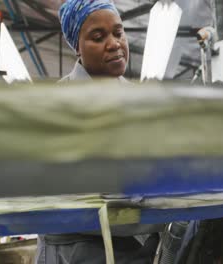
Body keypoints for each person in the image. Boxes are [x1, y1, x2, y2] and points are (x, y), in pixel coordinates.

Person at [35, 1, 161, 263]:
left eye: (118, 32)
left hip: (140, 247)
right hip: (76, 250)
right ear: (77, 46)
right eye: (98, 37)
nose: (114, 43)